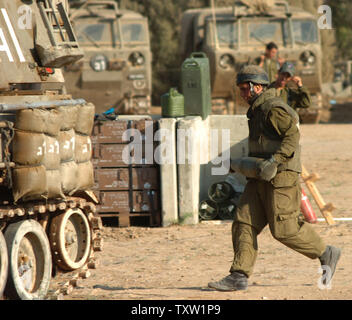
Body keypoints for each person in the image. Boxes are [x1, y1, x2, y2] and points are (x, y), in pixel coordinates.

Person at [208, 65, 341, 292]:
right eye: (240, 88)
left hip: (281, 177)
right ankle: (238, 275)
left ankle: (325, 251)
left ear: (257, 87)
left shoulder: (272, 108)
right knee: (244, 221)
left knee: (284, 229)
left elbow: (292, 135)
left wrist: (275, 161)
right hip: (260, 175)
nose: (241, 93)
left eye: (244, 88)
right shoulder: (257, 109)